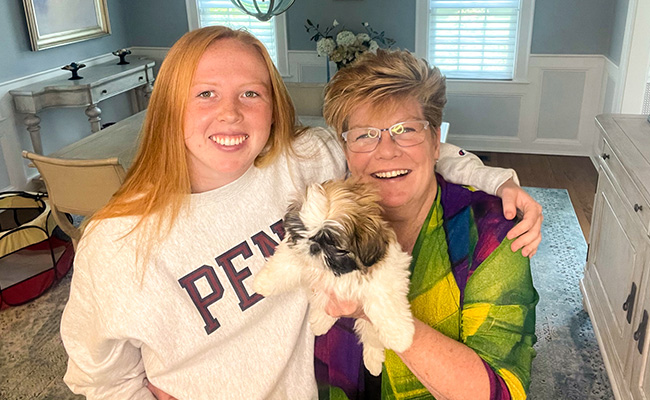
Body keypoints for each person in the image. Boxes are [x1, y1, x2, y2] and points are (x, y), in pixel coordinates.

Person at [60, 27, 540, 400]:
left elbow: (395, 148)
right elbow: (101, 379)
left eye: (251, 93)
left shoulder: (302, 162)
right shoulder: (114, 244)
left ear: (273, 108)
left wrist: (498, 181)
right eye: (205, 93)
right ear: (169, 106)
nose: (230, 113)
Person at [317, 49, 538, 400]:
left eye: (405, 130)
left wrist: (377, 309)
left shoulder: (490, 231)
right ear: (345, 150)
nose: (386, 151)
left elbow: (501, 392)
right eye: (364, 135)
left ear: (436, 142)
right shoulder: (322, 217)